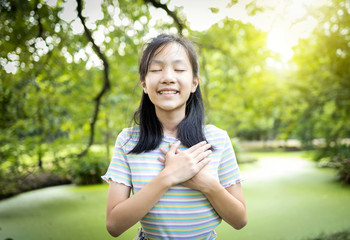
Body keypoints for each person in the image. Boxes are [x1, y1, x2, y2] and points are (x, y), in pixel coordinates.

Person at [102, 34, 247, 240]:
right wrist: (169, 176)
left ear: (194, 83)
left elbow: (239, 219)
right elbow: (114, 225)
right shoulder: (128, 141)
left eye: (179, 69)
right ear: (144, 83)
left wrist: (206, 184)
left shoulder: (217, 139)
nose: (168, 77)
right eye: (156, 69)